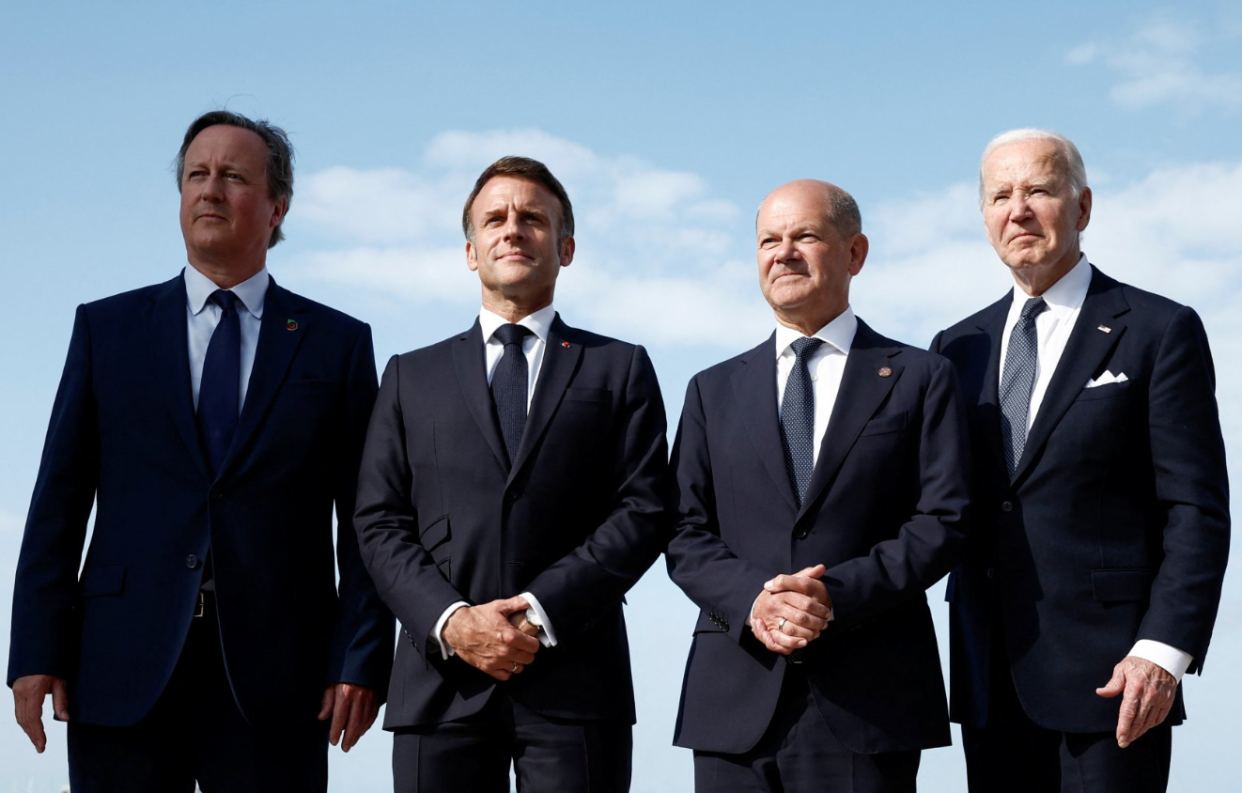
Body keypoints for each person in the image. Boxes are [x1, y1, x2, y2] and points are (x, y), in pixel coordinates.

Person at [7, 110, 394, 792]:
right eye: (196, 174)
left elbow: (365, 524)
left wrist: (360, 655)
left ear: (276, 207)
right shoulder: (108, 330)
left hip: (279, 678)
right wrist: (34, 650)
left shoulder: (337, 345)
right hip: (120, 665)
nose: (210, 190)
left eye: (233, 176)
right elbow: (58, 503)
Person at [354, 155, 669, 792]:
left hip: (577, 682)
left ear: (566, 246)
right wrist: (452, 620)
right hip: (439, 683)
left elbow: (644, 510)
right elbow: (380, 521)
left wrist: (539, 611)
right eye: (494, 219)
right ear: (471, 251)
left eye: (533, 218)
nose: (513, 229)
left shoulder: (620, 368)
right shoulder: (409, 377)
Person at [931, 128, 1230, 792]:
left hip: (1116, 680)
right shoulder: (956, 347)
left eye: (1039, 189)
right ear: (984, 219)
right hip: (990, 675)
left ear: (1082, 207)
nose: (1019, 209)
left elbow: (1197, 509)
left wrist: (1161, 652)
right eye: (1001, 195)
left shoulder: (1158, 329)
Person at [665, 179, 970, 793]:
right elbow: (681, 530)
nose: (784, 253)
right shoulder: (710, 389)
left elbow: (945, 519)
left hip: (869, 698)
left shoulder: (921, 377)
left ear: (855, 253)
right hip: (735, 695)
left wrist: (831, 596)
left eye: (805, 235)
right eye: (768, 241)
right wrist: (756, 599)